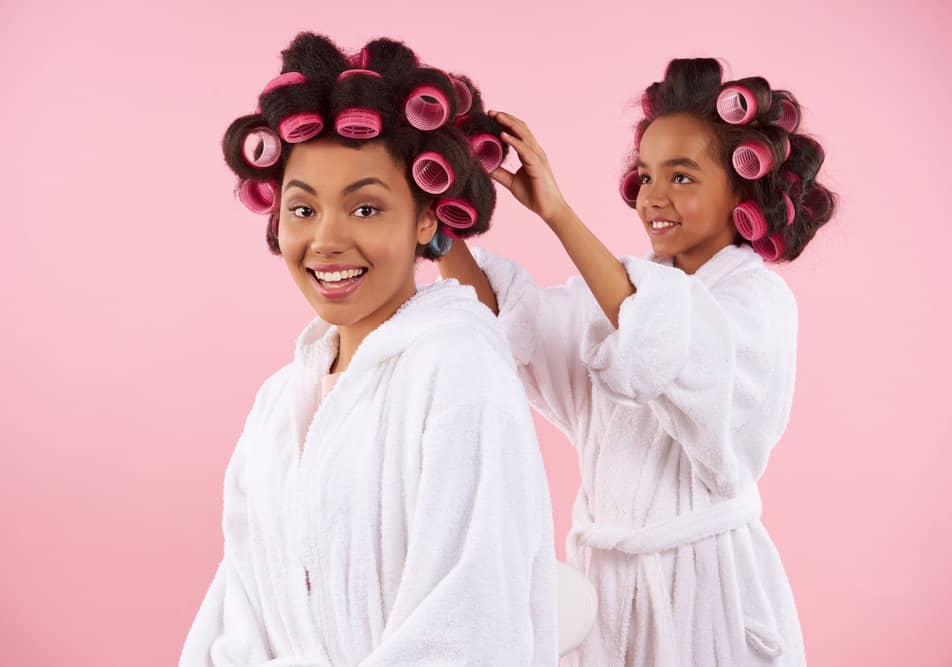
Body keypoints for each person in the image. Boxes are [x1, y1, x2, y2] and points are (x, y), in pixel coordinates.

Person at [438, 58, 837, 666]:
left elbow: (663, 342)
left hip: (704, 591)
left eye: (682, 177)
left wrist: (557, 213)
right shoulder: (625, 295)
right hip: (604, 588)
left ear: (743, 190)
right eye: (646, 176)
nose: (653, 197)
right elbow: (514, 326)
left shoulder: (755, 302)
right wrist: (440, 218)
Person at [180, 32, 558, 666]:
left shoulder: (458, 371)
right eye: (303, 210)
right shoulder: (280, 403)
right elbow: (237, 608)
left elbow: (471, 619)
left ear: (427, 219)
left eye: (365, 209)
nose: (325, 240)